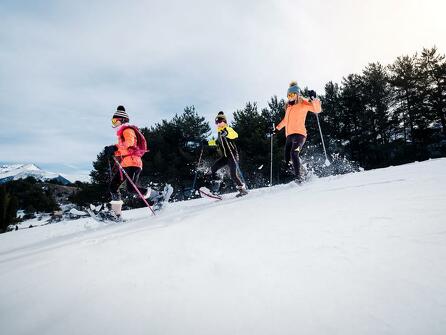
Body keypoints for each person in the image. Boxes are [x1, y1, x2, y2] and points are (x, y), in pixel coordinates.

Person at [104, 105, 169, 219]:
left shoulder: (127, 130)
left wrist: (114, 148)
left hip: (133, 163)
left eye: (115, 120)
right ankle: (116, 214)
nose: (113, 123)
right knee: (113, 186)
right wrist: (114, 151)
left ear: (122, 120)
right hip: (125, 163)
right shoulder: (122, 132)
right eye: (112, 121)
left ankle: (158, 196)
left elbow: (129, 144)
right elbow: (125, 149)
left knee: (131, 188)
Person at [273, 82, 322, 183]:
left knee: (294, 153)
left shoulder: (303, 103)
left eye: (292, 94)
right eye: (288, 95)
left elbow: (317, 110)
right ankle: (304, 173)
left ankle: (299, 177)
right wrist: (276, 129)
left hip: (300, 135)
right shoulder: (288, 108)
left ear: (297, 94)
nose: (290, 97)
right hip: (289, 136)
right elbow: (285, 121)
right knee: (287, 160)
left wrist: (314, 99)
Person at [206, 111, 248, 197]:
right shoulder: (219, 133)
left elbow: (235, 135)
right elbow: (217, 142)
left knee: (233, 174)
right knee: (213, 169)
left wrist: (227, 133)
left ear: (224, 121)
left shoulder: (228, 129)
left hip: (232, 155)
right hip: (225, 157)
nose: (218, 123)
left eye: (220, 121)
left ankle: (242, 190)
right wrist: (207, 143)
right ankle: (216, 187)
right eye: (217, 122)